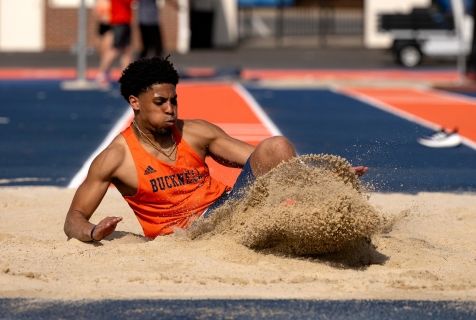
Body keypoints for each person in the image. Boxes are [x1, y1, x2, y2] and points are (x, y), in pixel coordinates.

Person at [64, 57, 369, 242]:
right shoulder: (115, 158)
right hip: (185, 236)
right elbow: (73, 218)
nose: (170, 109)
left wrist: (316, 179)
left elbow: (265, 159)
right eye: (160, 103)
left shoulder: (194, 131)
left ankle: (325, 210)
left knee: (276, 145)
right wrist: (93, 231)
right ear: (135, 102)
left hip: (229, 211)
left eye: (174, 101)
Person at [95, 0, 135, 88]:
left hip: (125, 21)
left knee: (127, 50)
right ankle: (101, 74)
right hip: (119, 21)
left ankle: (127, 77)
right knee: (115, 49)